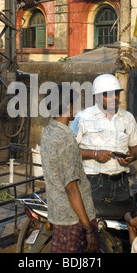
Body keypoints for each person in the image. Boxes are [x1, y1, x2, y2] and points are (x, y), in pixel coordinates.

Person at [40, 84, 99, 253]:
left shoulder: (48, 132)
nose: (77, 107)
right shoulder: (66, 138)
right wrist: (88, 228)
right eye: (75, 103)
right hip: (74, 220)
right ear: (67, 105)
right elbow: (71, 187)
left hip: (59, 215)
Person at [70, 73, 137, 205]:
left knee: (120, 222)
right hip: (92, 181)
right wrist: (94, 154)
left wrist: (131, 156)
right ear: (96, 96)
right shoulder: (83, 117)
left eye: (116, 93)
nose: (113, 97)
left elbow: (136, 147)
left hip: (121, 182)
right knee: (92, 221)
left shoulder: (128, 118)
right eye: (107, 94)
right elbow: (69, 150)